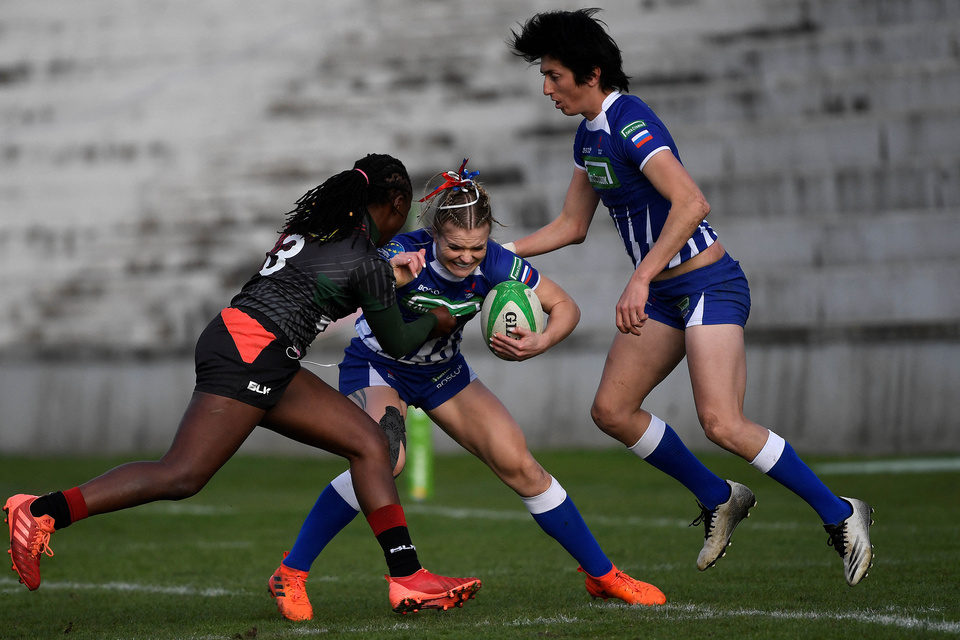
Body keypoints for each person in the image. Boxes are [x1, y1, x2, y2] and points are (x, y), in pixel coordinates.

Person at [3, 153, 482, 615]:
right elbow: (398, 341)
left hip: (256, 347)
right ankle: (42, 511)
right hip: (250, 352)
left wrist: (387, 282)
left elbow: (320, 287)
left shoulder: (321, 226)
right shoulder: (365, 260)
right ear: (396, 205)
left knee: (369, 444)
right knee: (182, 475)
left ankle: (407, 575)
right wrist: (437, 319)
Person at [505, 9, 873, 587]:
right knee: (612, 411)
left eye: (554, 75)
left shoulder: (630, 120)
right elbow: (572, 225)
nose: (546, 88)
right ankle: (718, 495)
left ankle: (841, 512)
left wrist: (640, 277)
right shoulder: (588, 133)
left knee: (722, 423)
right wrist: (494, 254)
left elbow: (692, 202)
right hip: (664, 294)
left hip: (707, 284)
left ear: (592, 72)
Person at [265, 160, 666, 622]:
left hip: (442, 371)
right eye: (455, 246)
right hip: (378, 365)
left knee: (522, 466)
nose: (466, 257)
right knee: (385, 458)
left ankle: (603, 575)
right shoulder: (401, 250)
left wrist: (540, 341)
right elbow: (348, 283)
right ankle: (291, 572)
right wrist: (387, 273)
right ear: (435, 232)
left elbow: (565, 307)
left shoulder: (496, 261)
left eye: (476, 247)